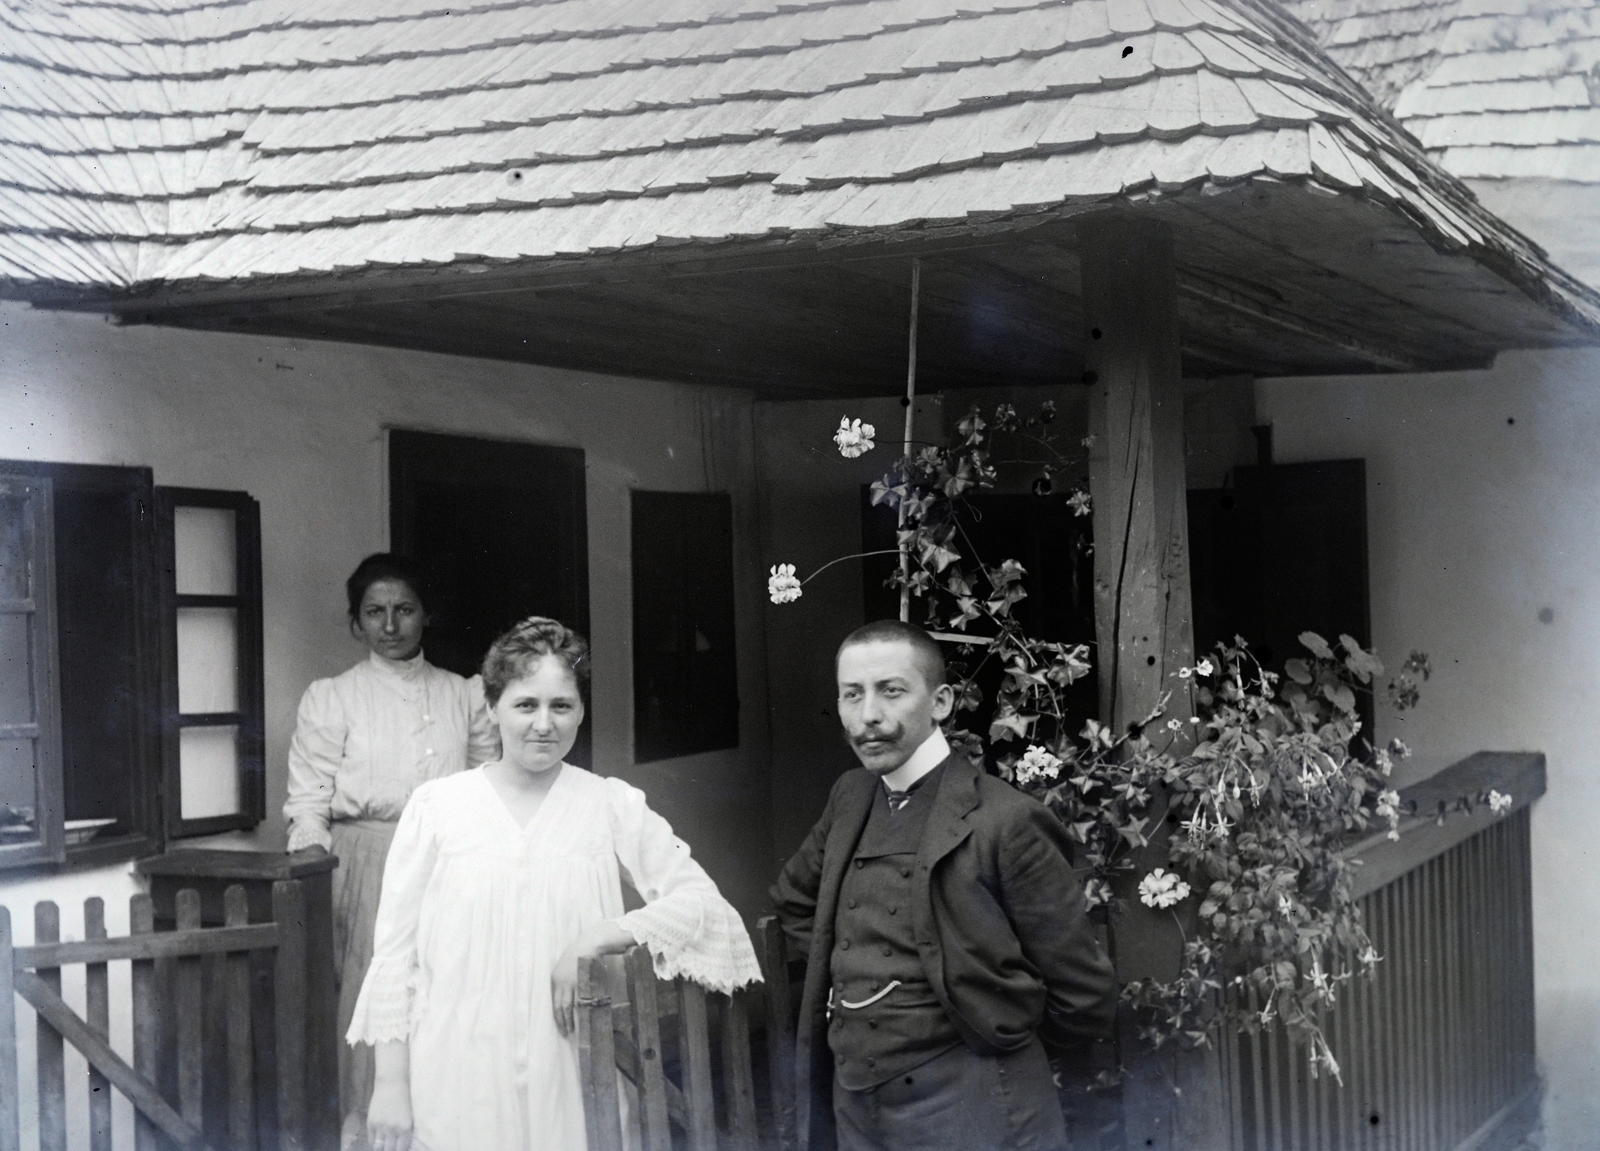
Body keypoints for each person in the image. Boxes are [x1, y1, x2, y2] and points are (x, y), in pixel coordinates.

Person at [349, 616, 763, 1151]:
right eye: (525, 705)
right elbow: (394, 956)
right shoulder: (437, 809)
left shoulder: (609, 805)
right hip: (456, 1069)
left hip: (570, 1068)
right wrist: (390, 1085)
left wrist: (598, 937)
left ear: (582, 711)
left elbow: (704, 907)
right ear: (492, 706)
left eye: (561, 706)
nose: (543, 724)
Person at [772, 620, 1117, 1151]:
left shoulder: (1007, 820)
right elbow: (795, 904)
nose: (869, 716)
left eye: (891, 691)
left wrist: (992, 1037)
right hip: (857, 1107)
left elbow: (1083, 996)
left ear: (941, 702)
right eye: (851, 695)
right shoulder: (851, 796)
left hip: (976, 1109)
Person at [283, 553, 500, 1148]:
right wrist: (320, 885)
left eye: (403, 609)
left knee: (453, 995)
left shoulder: (463, 696)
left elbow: (492, 784)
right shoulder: (334, 698)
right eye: (374, 612)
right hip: (366, 866)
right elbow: (308, 802)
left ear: (425, 615)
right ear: (356, 624)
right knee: (376, 1005)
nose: (390, 624)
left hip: (452, 863)